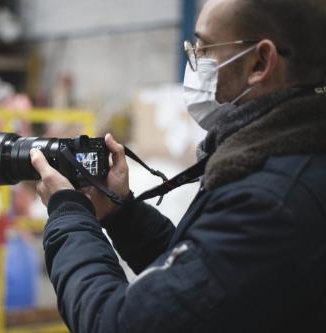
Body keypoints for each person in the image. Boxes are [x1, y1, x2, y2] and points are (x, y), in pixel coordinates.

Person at [29, 0, 326, 332]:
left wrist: (68, 213)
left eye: (203, 46)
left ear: (260, 62)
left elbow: (113, 323)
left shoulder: (272, 202)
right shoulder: (286, 161)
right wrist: (120, 213)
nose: (195, 58)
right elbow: (198, 279)